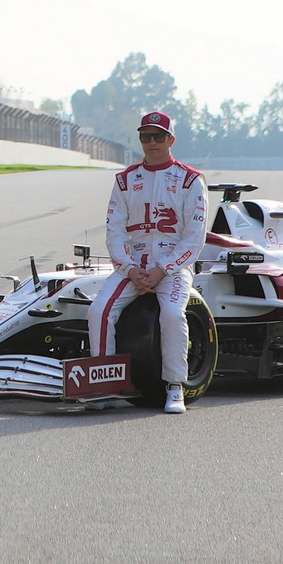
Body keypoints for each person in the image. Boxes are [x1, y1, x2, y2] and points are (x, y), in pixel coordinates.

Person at [88, 111, 207, 413]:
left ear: (171, 140)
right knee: (99, 310)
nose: (152, 142)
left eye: (158, 136)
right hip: (132, 266)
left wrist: (162, 269)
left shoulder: (191, 180)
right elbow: (115, 231)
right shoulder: (125, 180)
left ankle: (175, 387)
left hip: (173, 267)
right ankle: (104, 387)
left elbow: (194, 238)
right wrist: (130, 269)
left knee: (172, 315)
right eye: (146, 136)